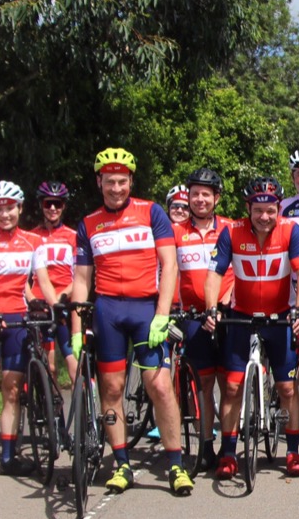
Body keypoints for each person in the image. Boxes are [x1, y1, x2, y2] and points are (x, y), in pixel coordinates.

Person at [68, 148, 193, 496]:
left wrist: (162, 314)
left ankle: (176, 464)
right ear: (99, 182)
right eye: (110, 182)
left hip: (145, 310)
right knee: (111, 390)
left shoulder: (151, 212)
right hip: (108, 310)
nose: (116, 188)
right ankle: (121, 462)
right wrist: (76, 329)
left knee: (161, 387)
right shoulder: (88, 223)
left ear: (131, 182)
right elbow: (81, 278)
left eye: (122, 181)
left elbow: (170, 265)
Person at [204, 177, 299, 480]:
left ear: (279, 208)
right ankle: (228, 454)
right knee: (232, 387)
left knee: (288, 388)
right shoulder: (231, 232)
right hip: (242, 316)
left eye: (271, 210)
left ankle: (292, 451)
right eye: (258, 211)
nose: (265, 217)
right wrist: (211, 307)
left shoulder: (290, 231)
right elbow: (214, 274)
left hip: (279, 318)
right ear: (248, 208)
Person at [0, 181, 57, 486]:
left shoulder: (33, 242)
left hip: (18, 320)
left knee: (13, 391)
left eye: (10, 208)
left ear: (19, 209)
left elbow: (42, 280)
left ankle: (7, 456)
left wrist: (56, 307)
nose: (4, 214)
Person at [173, 167, 234, 473]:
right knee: (204, 385)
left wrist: (223, 304)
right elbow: (169, 273)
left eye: (205, 194)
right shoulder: (175, 232)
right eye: (194, 193)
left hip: (226, 315)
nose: (199, 199)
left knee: (229, 383)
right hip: (194, 318)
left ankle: (229, 445)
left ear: (216, 198)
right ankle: (206, 445)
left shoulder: (231, 229)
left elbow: (241, 273)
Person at [31, 180, 79, 385]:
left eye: (57, 204)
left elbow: (80, 277)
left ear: (63, 206)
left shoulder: (73, 237)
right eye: (48, 203)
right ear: (41, 205)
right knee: (49, 366)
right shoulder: (31, 237)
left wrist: (63, 296)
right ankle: (53, 410)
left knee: (73, 361)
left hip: (65, 302)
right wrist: (32, 299)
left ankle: (84, 406)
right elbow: (22, 277)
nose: (52, 208)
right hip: (39, 305)